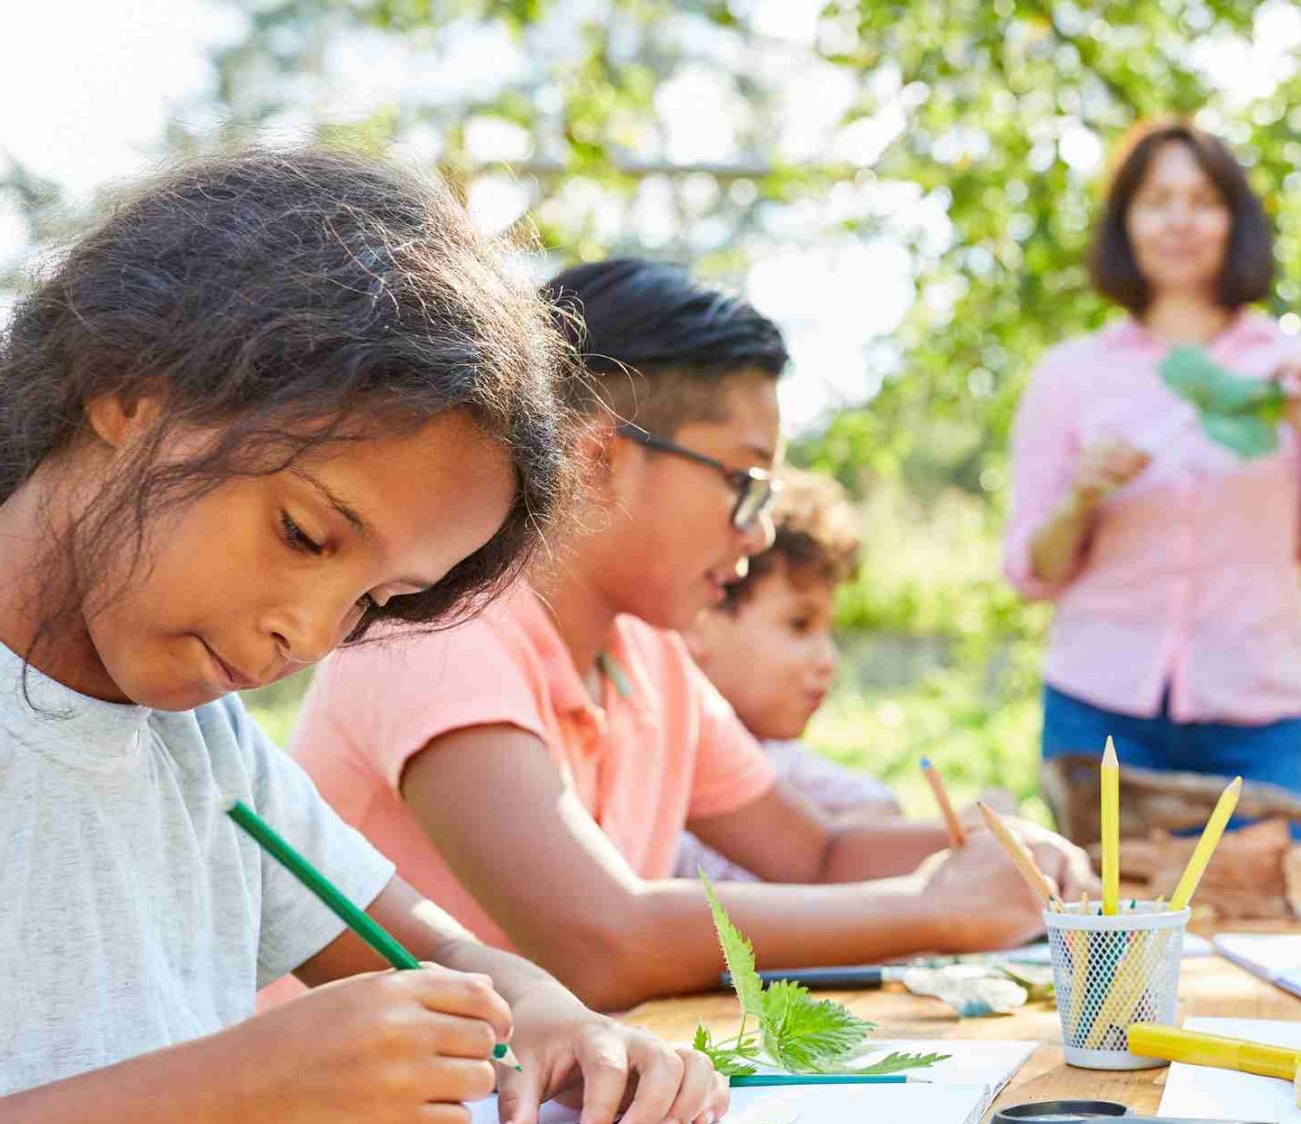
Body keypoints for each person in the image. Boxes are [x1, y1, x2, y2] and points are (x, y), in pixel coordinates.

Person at [0, 150, 721, 1124]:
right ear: (129, 386)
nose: (309, 635)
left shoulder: (203, 748)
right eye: (307, 534)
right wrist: (221, 1099)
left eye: (373, 601)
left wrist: (554, 1019)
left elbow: (434, 949)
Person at [291, 259, 1094, 1014]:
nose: (760, 532)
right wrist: (934, 910)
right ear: (600, 459)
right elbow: (597, 940)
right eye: (746, 486)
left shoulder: (647, 658)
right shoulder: (436, 629)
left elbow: (812, 853)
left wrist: (1015, 863)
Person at [1003, 119, 1301, 832]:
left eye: (1204, 200)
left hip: (1260, 714)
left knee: (1284, 923)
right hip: (1100, 708)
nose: (1180, 221)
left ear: (1234, 221)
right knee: (1106, 934)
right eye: (1156, 200)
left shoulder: (1293, 366)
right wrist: (1082, 495)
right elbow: (1034, 573)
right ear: (1126, 224)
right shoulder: (1070, 375)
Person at [676, 468, 903, 881]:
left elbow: (881, 806)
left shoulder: (777, 757)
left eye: (828, 630)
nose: (828, 660)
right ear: (700, 616)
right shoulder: (666, 747)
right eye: (799, 624)